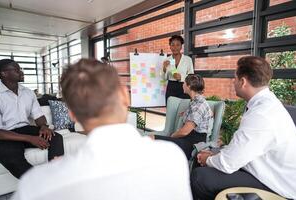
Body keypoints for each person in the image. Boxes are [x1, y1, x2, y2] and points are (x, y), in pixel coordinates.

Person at [12, 59, 193, 200]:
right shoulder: (172, 156)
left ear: (72, 114)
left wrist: (57, 171)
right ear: (124, 96)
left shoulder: (35, 186)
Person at [190, 56, 296, 200]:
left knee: (200, 177)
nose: (233, 81)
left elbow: (228, 164)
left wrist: (208, 159)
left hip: (276, 184)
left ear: (243, 82)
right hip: (263, 168)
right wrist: (213, 155)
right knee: (208, 156)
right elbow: (242, 147)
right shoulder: (266, 103)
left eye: (235, 78)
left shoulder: (262, 114)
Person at [0, 59, 64, 179]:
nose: (21, 72)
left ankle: (56, 176)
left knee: (56, 137)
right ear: (4, 73)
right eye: (17, 70)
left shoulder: (28, 93)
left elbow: (38, 115)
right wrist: (30, 138)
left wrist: (44, 126)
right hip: (5, 135)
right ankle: (39, 183)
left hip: (25, 129)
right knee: (10, 157)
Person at [151, 74, 213, 160]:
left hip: (192, 144)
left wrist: (171, 136)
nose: (182, 85)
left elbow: (184, 131)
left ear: (189, 86)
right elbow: (205, 114)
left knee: (151, 139)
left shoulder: (198, 105)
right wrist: (186, 113)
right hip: (188, 139)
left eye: (184, 83)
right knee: (152, 140)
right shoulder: (196, 102)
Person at [162, 35, 194, 102]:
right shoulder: (167, 60)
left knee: (183, 110)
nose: (175, 47)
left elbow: (191, 76)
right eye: (172, 45)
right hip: (171, 88)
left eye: (177, 45)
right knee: (171, 110)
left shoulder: (187, 59)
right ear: (170, 46)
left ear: (181, 46)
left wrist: (181, 77)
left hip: (184, 87)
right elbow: (163, 78)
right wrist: (164, 68)